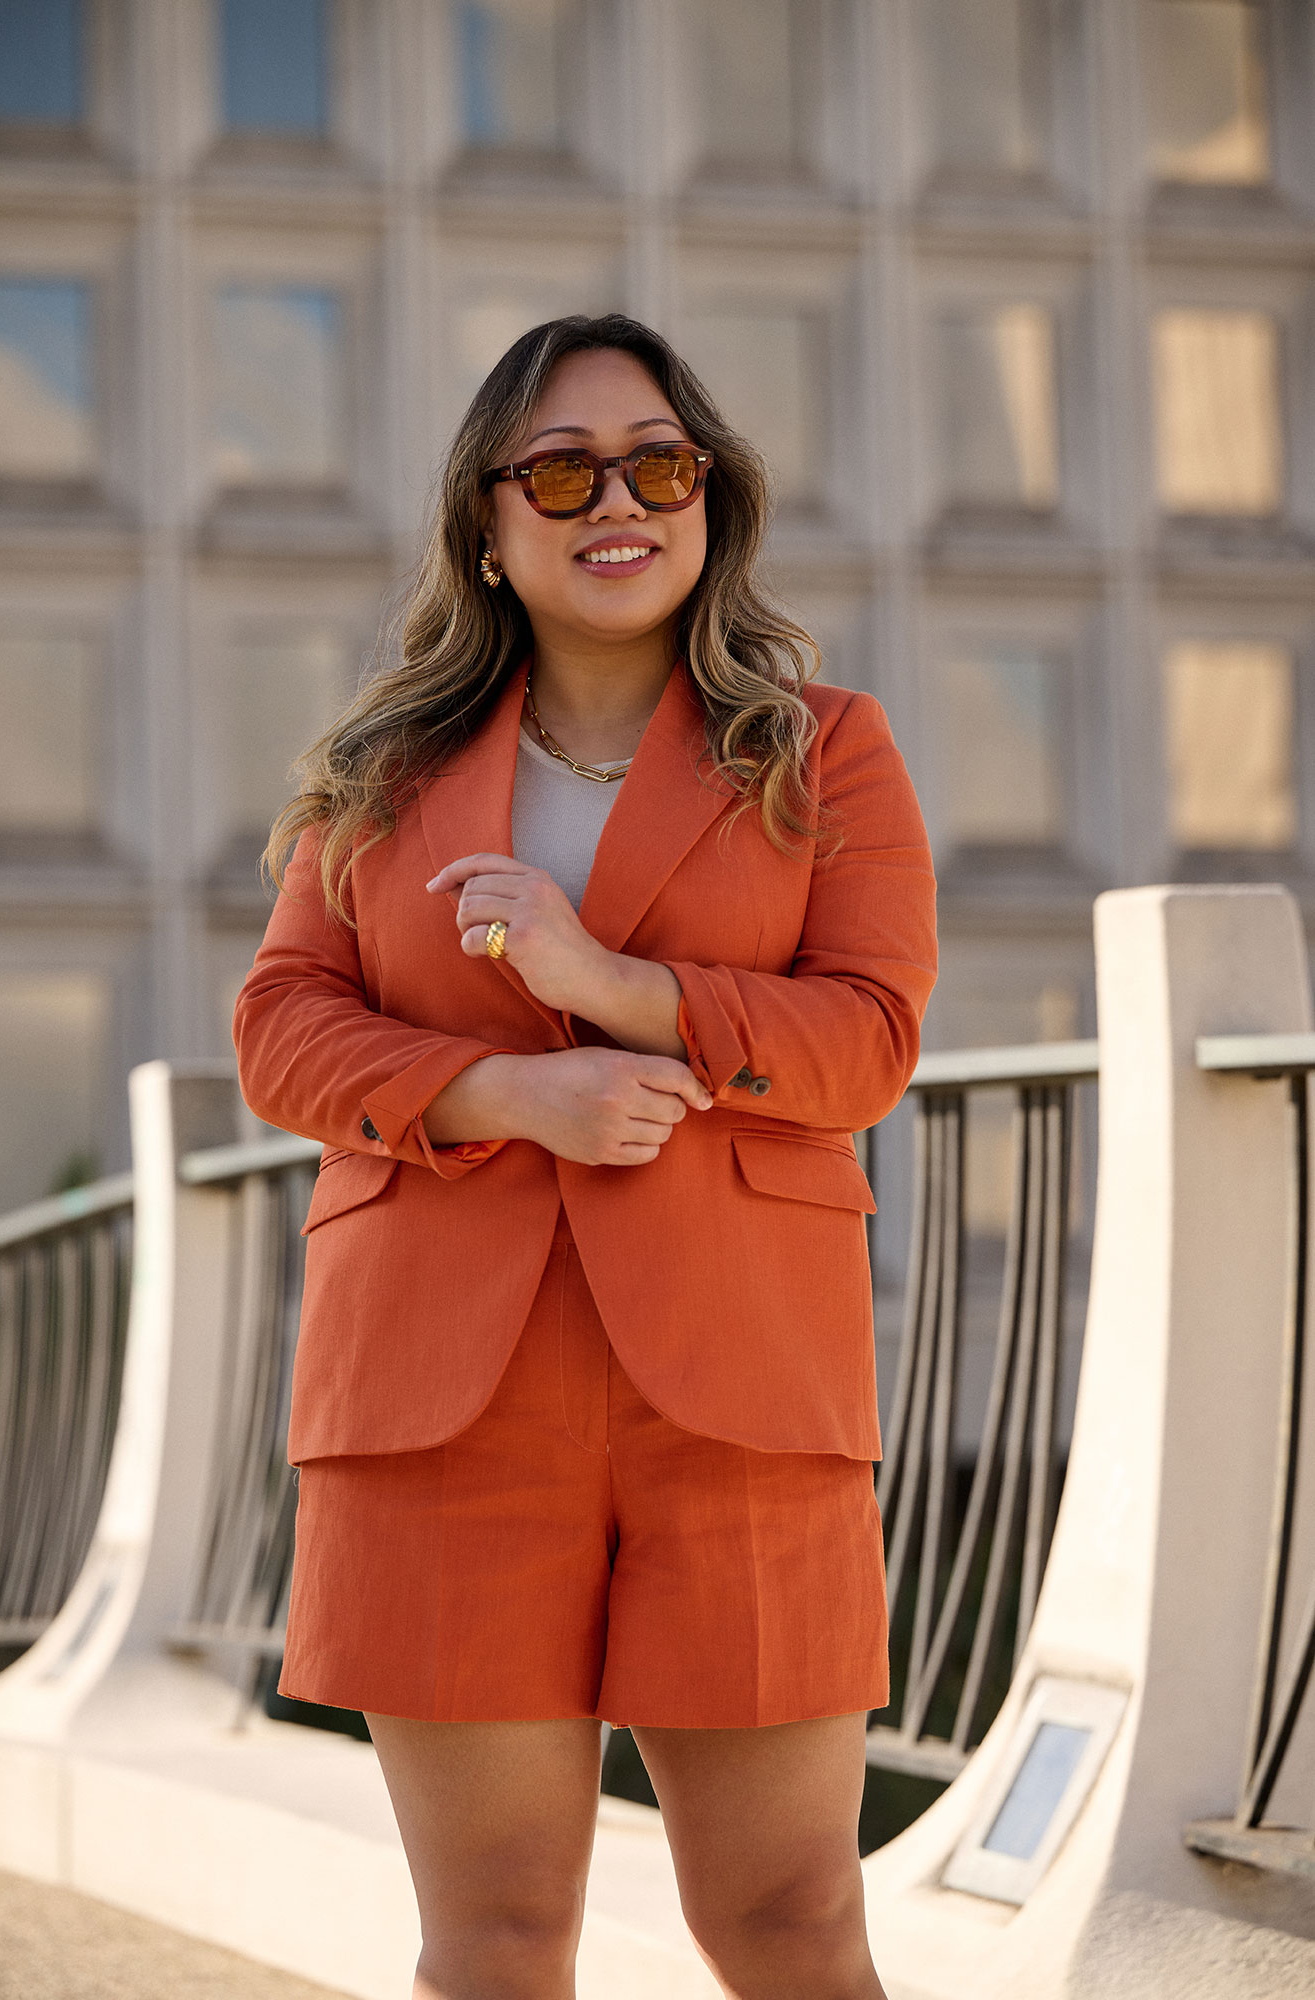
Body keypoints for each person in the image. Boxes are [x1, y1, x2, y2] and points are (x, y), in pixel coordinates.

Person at [233, 312, 937, 2000]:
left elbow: (868, 1037)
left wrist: (613, 988)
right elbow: (278, 1029)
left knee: (789, 1925)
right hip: (437, 1403)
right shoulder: (380, 772)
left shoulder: (822, 748)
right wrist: (504, 1093)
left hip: (743, 1397)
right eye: (558, 471)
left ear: (710, 500)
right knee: (493, 1940)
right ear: (487, 523)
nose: (614, 500)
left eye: (657, 465)